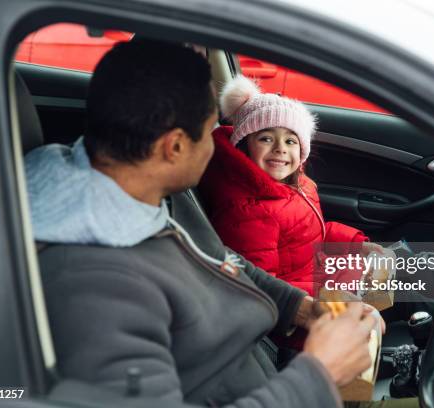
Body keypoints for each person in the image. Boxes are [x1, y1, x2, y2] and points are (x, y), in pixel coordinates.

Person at [26, 39, 382, 408]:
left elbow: (217, 258)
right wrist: (320, 374)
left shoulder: (149, 193)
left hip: (263, 363)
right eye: (212, 131)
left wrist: (303, 308)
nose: (218, 147)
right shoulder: (94, 289)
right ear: (175, 147)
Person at [199, 76, 385, 298]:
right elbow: (262, 287)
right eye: (266, 139)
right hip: (306, 304)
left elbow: (312, 236)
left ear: (301, 151)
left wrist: (357, 245)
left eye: (290, 141)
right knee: (409, 294)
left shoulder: (298, 186)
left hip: (322, 275)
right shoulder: (248, 212)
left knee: (409, 278)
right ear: (244, 147)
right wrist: (327, 296)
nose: (280, 148)